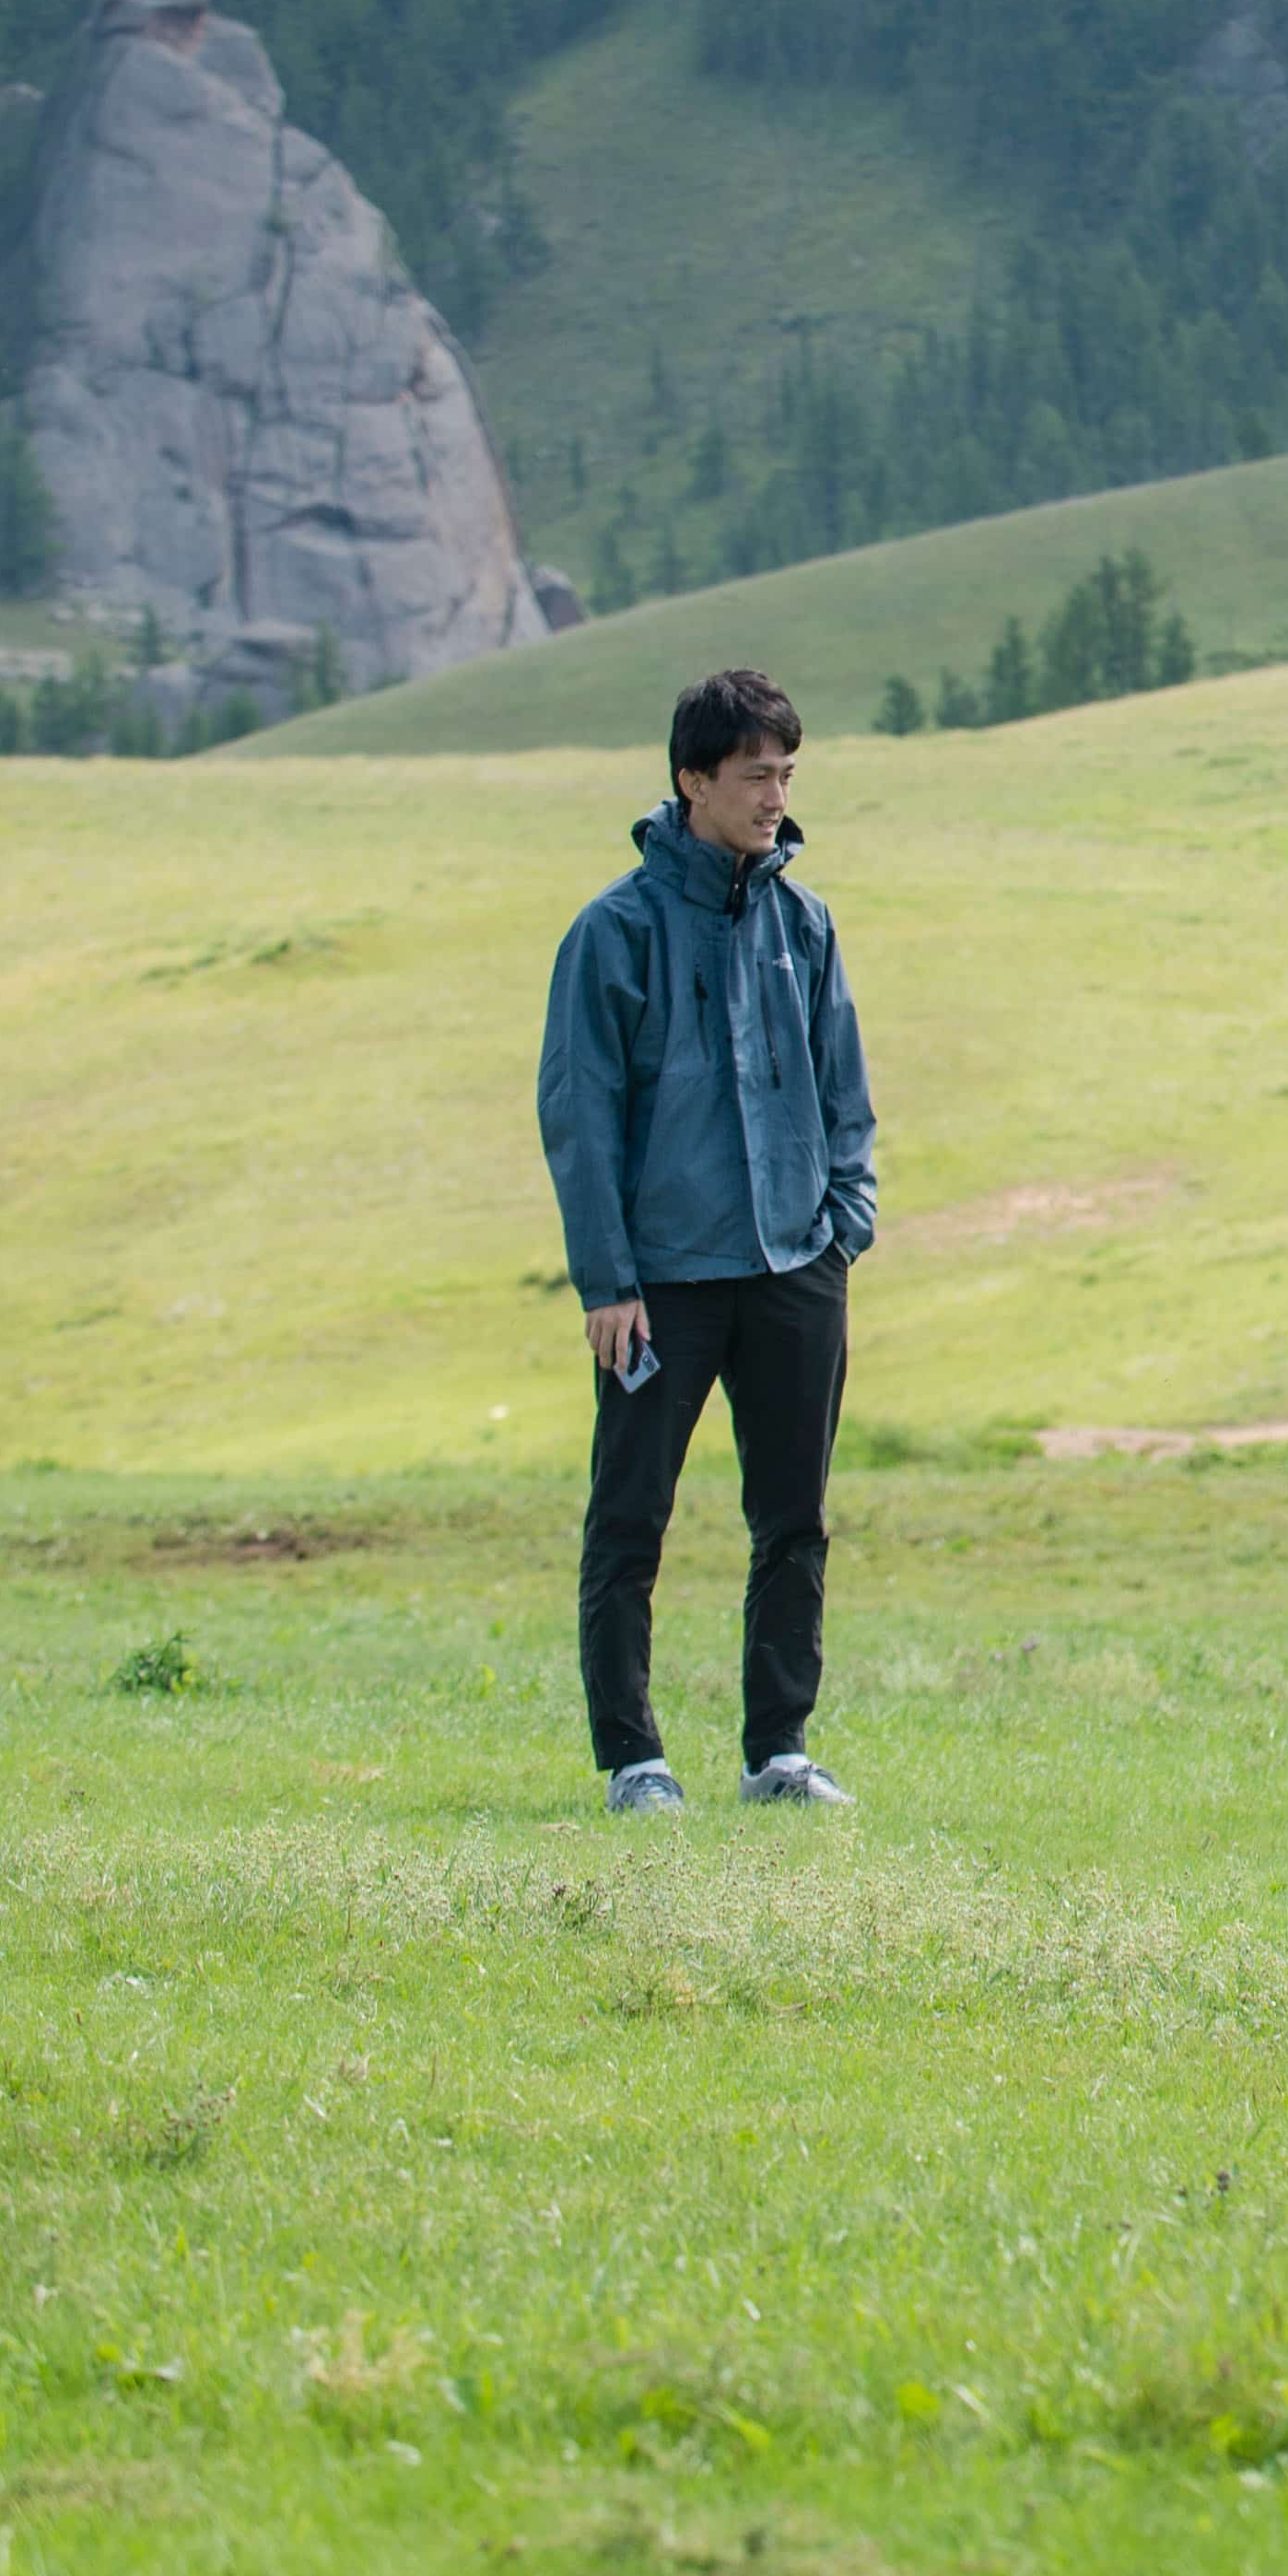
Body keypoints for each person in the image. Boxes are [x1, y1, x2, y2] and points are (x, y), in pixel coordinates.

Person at [537, 668, 879, 1815]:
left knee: (794, 1517)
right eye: (753, 775)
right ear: (692, 780)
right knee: (629, 1517)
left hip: (796, 1267)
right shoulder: (612, 933)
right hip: (662, 1286)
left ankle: (778, 1750)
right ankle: (634, 1760)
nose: (774, 794)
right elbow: (580, 1115)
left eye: (785, 772)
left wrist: (845, 1220)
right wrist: (606, 1279)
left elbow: (845, 1089)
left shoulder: (805, 922)